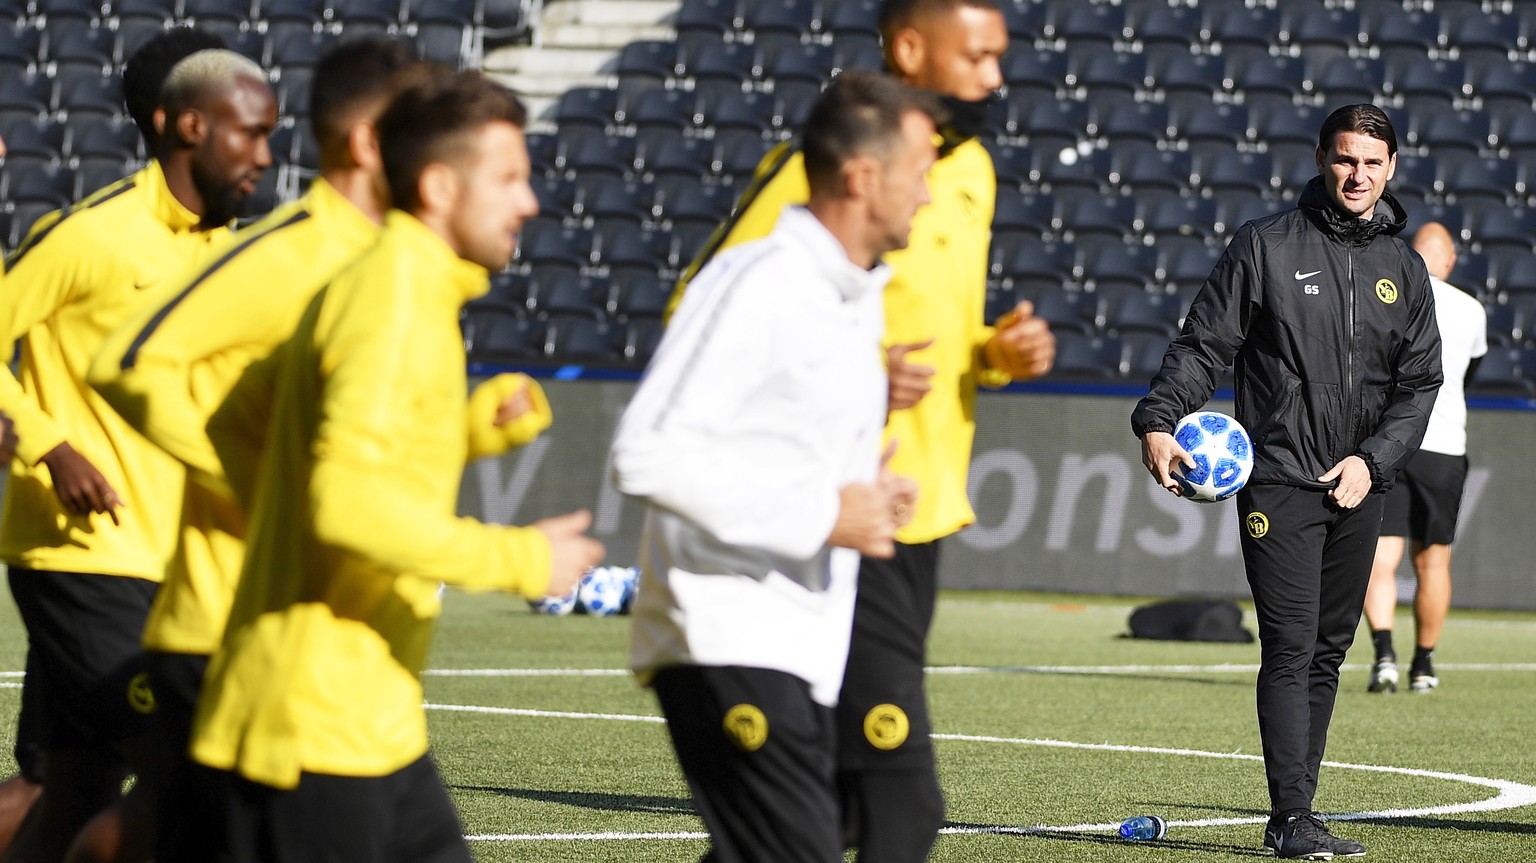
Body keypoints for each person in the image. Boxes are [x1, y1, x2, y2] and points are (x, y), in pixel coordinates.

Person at [666, 3, 1054, 857]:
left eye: (1001, 56)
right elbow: (703, 314)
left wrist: (994, 353)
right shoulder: (822, 171)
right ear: (910, 48)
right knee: (897, 803)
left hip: (921, 509)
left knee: (828, 807)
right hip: (839, 511)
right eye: (978, 55)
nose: (996, 76)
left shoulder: (973, 167)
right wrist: (855, 374)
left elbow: (933, 328)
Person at [188, 69, 604, 860]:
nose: (530, 202)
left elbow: (239, 421)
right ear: (440, 186)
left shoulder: (399, 283)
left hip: (371, 720)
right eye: (511, 178)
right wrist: (519, 558)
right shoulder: (396, 298)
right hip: (316, 725)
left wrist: (466, 430)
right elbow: (342, 502)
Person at [87, 38, 426, 861]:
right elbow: (124, 361)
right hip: (222, 626)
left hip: (311, 631)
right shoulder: (289, 250)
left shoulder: (391, 263)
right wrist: (248, 473)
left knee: (144, 823)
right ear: (372, 142)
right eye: (426, 124)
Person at [612, 70, 935, 863]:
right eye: (920, 173)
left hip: (793, 639)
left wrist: (866, 490)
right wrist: (827, 514)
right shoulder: (757, 281)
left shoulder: (849, 298)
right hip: (724, 632)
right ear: (863, 177)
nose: (928, 196)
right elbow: (644, 452)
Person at [1133, 104, 1443, 860]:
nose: (1357, 176)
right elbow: (1205, 344)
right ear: (1320, 159)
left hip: (1359, 484)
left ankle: (1297, 813)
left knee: (1332, 649)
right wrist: (1158, 416)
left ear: (1392, 167)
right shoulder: (1266, 246)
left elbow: (1421, 383)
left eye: (1372, 162)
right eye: (1345, 160)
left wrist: (1373, 461)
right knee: (1292, 643)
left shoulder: (1403, 268)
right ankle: (1292, 815)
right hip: (1278, 479)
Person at [0, 49, 276, 863]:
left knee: (69, 787)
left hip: (171, 560)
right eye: (251, 133)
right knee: (187, 770)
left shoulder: (229, 252)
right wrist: (51, 445)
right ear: (189, 125)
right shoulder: (94, 235)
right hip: (81, 552)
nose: (266, 155)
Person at [1363, 222, 1487, 694]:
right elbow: (1466, 374)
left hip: (1391, 439)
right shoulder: (1472, 309)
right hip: (1444, 446)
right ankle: (1424, 665)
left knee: (1380, 558)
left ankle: (1384, 657)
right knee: (1433, 562)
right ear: (1450, 260)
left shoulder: (1389, 294)